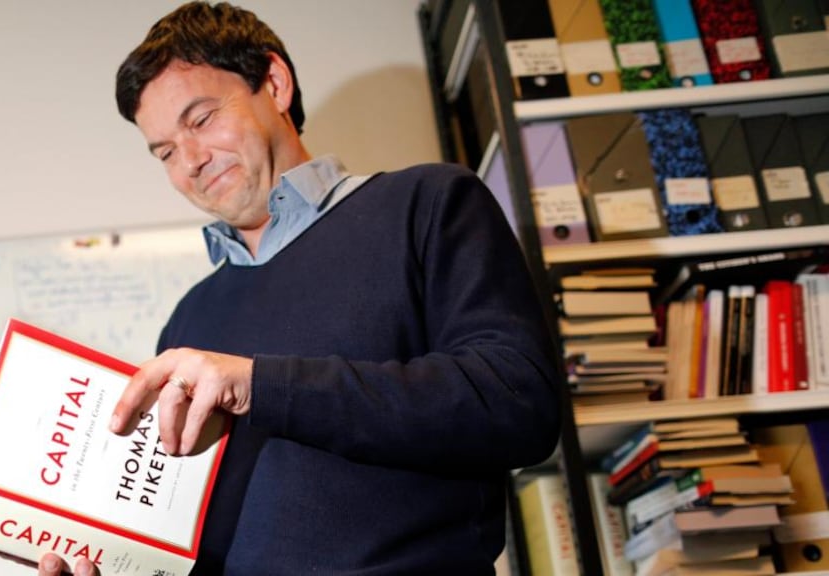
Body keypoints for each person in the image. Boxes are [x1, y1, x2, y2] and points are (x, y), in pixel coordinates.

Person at [37, 2, 561, 574]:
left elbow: (519, 405)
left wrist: (260, 385)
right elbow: (198, 548)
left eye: (203, 118)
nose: (189, 160)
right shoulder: (188, 322)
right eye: (164, 151)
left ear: (276, 84)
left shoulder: (428, 206)